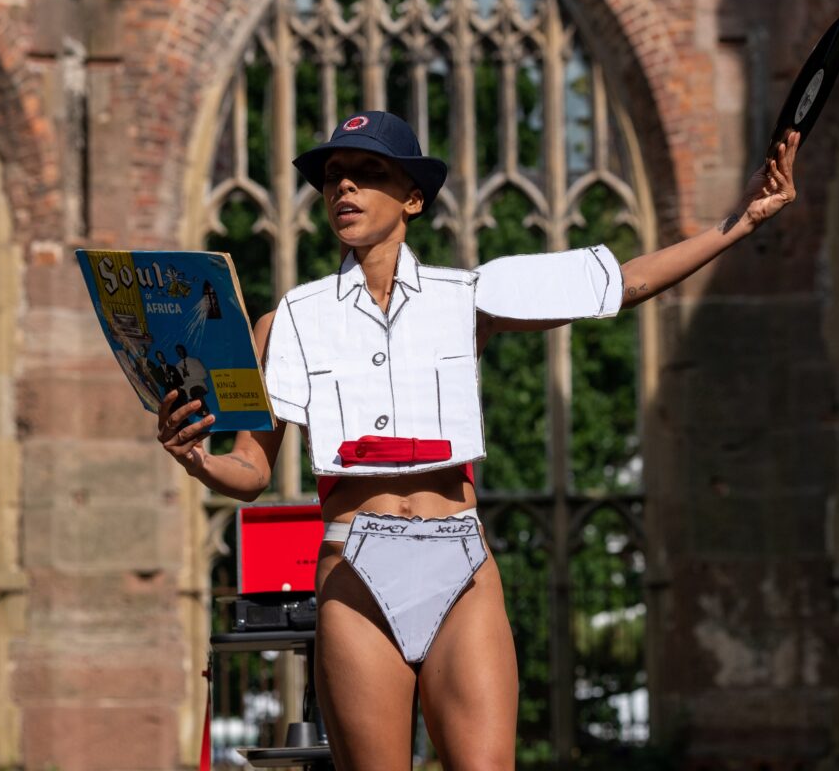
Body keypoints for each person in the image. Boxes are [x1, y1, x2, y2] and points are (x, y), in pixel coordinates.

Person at [157, 111, 801, 770]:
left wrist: (743, 221)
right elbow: (250, 470)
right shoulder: (286, 322)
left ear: (413, 199)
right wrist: (197, 459)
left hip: (460, 559)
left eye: (367, 174)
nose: (343, 188)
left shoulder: (467, 297)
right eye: (332, 178)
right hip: (354, 565)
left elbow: (622, 282)